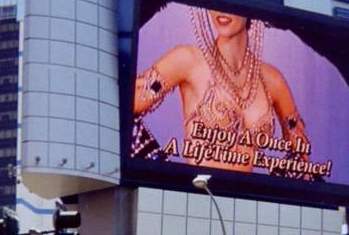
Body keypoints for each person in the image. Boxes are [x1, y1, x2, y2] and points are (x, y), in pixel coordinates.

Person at [133, 9, 312, 175]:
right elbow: (124, 102)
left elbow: (299, 150)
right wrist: (157, 167)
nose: (221, 11)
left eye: (233, 4)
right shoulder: (190, 60)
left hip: (243, 196)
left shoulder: (272, 80)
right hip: (198, 191)